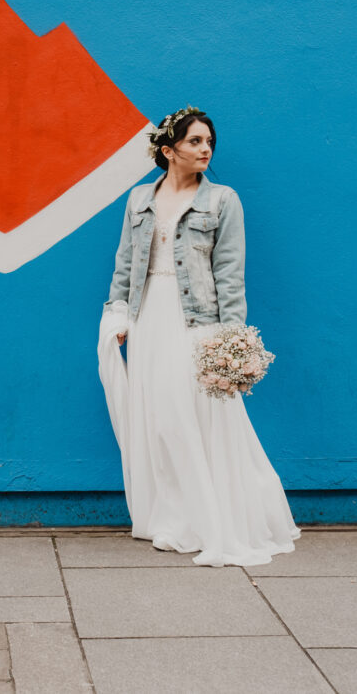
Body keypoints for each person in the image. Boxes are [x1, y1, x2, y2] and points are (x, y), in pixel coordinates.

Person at [98, 106, 299, 567]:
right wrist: (119, 316)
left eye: (209, 141)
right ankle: (176, 516)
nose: (205, 149)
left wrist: (232, 339)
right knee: (161, 419)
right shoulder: (138, 200)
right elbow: (125, 264)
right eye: (194, 142)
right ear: (169, 150)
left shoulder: (223, 200)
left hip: (197, 325)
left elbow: (230, 273)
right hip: (150, 319)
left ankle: (212, 519)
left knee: (198, 418)